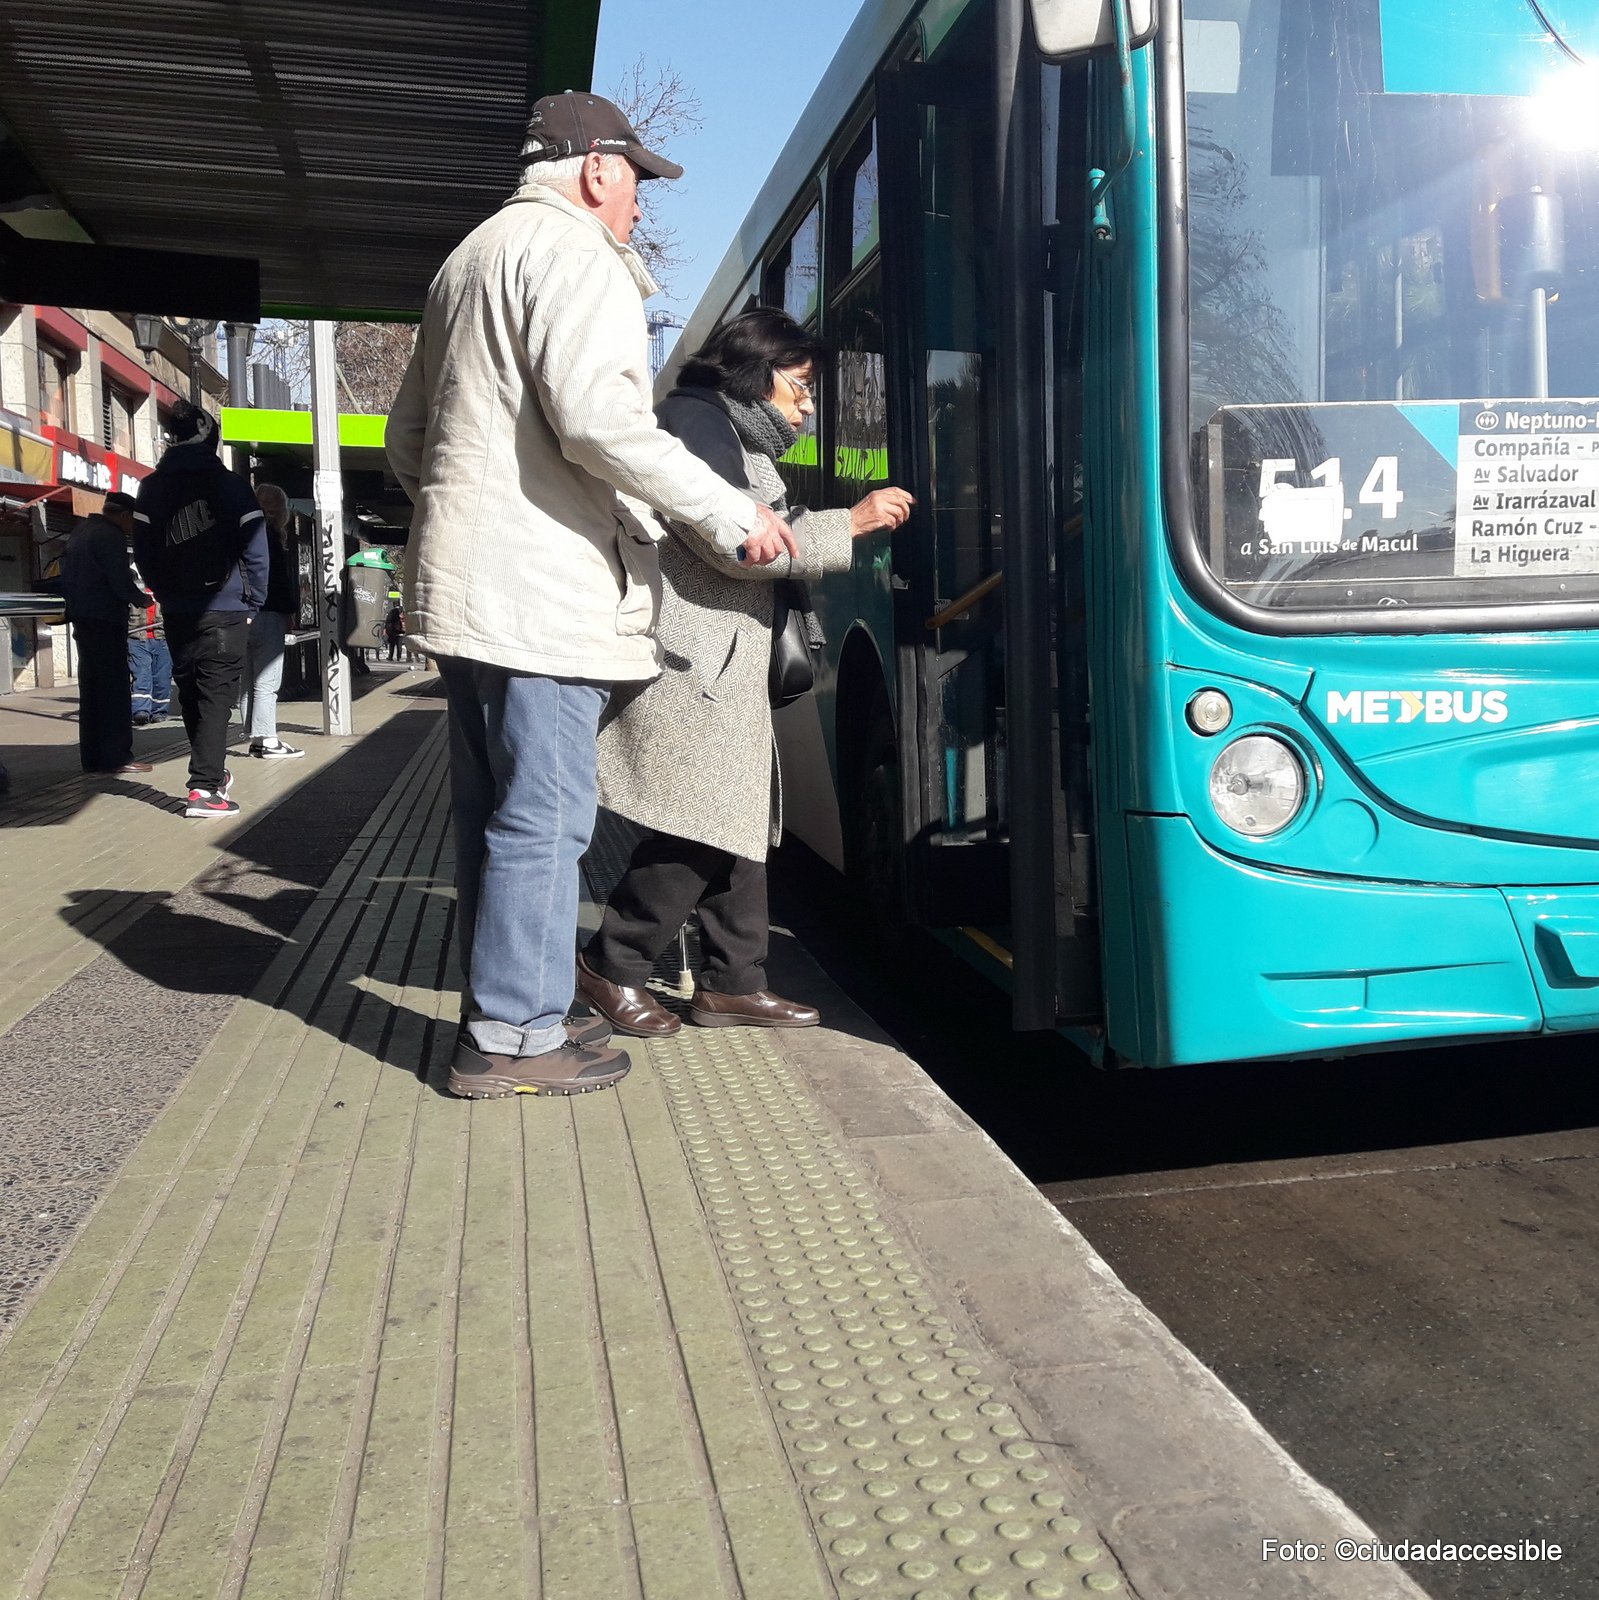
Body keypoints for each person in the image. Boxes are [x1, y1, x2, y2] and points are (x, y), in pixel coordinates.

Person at [387, 89, 799, 1101]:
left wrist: (470, 520)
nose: (641, 210)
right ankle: (515, 1036)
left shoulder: (467, 261)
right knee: (547, 819)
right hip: (544, 593)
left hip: (472, 592)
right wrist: (726, 511)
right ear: (598, 168)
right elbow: (600, 421)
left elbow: (409, 440)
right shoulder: (579, 257)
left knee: (497, 816)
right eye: (639, 185)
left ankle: (512, 1007)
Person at [579, 309, 912, 1035]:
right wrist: (848, 524)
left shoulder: (720, 428)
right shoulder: (698, 425)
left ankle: (733, 981)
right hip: (696, 663)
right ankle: (611, 964)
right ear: (754, 375)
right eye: (799, 385)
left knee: (734, 821)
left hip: (719, 661)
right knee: (696, 828)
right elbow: (731, 545)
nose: (807, 404)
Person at [134, 402, 267, 818]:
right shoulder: (231, 486)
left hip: (177, 609)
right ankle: (204, 789)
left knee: (192, 694)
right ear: (212, 436)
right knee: (217, 697)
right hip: (226, 607)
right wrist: (254, 600)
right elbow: (256, 548)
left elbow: (144, 551)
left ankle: (211, 776)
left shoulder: (150, 488)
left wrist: (165, 591)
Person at [58, 490, 154, 776]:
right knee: (113, 690)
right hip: (106, 620)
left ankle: (92, 757)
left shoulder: (81, 532)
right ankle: (116, 756)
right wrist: (142, 599)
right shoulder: (109, 535)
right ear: (124, 516)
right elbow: (119, 580)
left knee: (91, 690)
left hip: (82, 618)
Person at [243, 483, 305, 759]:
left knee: (249, 677)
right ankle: (268, 739)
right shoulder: (269, 537)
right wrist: (289, 612)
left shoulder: (241, 531)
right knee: (267, 679)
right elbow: (277, 581)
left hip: (241, 614)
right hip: (267, 614)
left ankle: (256, 737)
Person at [127, 586, 171, 726]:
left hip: (162, 638)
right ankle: (141, 710)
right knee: (141, 674)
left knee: (162, 677)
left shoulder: (167, 583)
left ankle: (159, 711)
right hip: (137, 637)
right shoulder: (134, 584)